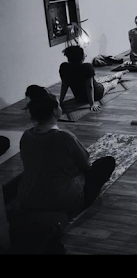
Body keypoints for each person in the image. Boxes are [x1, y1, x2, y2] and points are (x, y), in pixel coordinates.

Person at [17, 86, 115, 219]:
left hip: (28, 200)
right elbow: (86, 165)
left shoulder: (26, 136)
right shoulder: (64, 137)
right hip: (64, 202)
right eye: (59, 105)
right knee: (107, 162)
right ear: (55, 111)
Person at [59, 46, 125, 113]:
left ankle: (118, 74)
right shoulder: (87, 67)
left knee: (100, 79)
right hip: (97, 93)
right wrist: (92, 104)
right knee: (110, 84)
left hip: (79, 97)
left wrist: (60, 101)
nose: (85, 55)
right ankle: (118, 78)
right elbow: (89, 87)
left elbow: (64, 85)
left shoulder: (64, 67)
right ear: (81, 57)